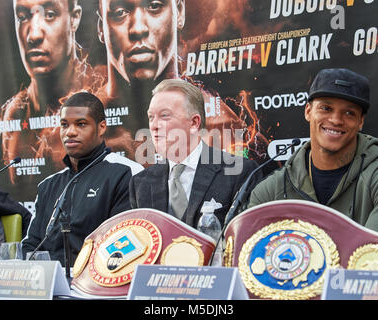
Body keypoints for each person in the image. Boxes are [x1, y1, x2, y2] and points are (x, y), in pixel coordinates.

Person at [247, 68, 378, 268]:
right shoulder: (271, 188)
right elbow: (251, 261)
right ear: (308, 111)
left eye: (349, 113)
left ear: (360, 121)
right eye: (326, 108)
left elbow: (372, 267)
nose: (335, 120)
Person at [96, 0, 248, 164]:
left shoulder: (227, 127)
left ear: (179, 12)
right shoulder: (78, 140)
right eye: (120, 12)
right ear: (101, 28)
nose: (138, 29)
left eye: (154, 6)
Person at [22, 92, 144, 265]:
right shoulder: (48, 185)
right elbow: (30, 245)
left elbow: (125, 244)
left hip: (99, 286)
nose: (70, 132)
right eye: (64, 125)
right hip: (49, 286)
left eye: (81, 124)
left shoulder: (126, 173)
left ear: (101, 127)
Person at [129, 79, 262, 228]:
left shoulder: (239, 172)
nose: (153, 126)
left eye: (164, 115)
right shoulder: (140, 184)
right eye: (151, 117)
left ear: (194, 123)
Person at [1, 0, 104, 185]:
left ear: (74, 18)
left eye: (49, 15)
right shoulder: (14, 114)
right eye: (22, 17)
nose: (33, 35)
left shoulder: (101, 94)